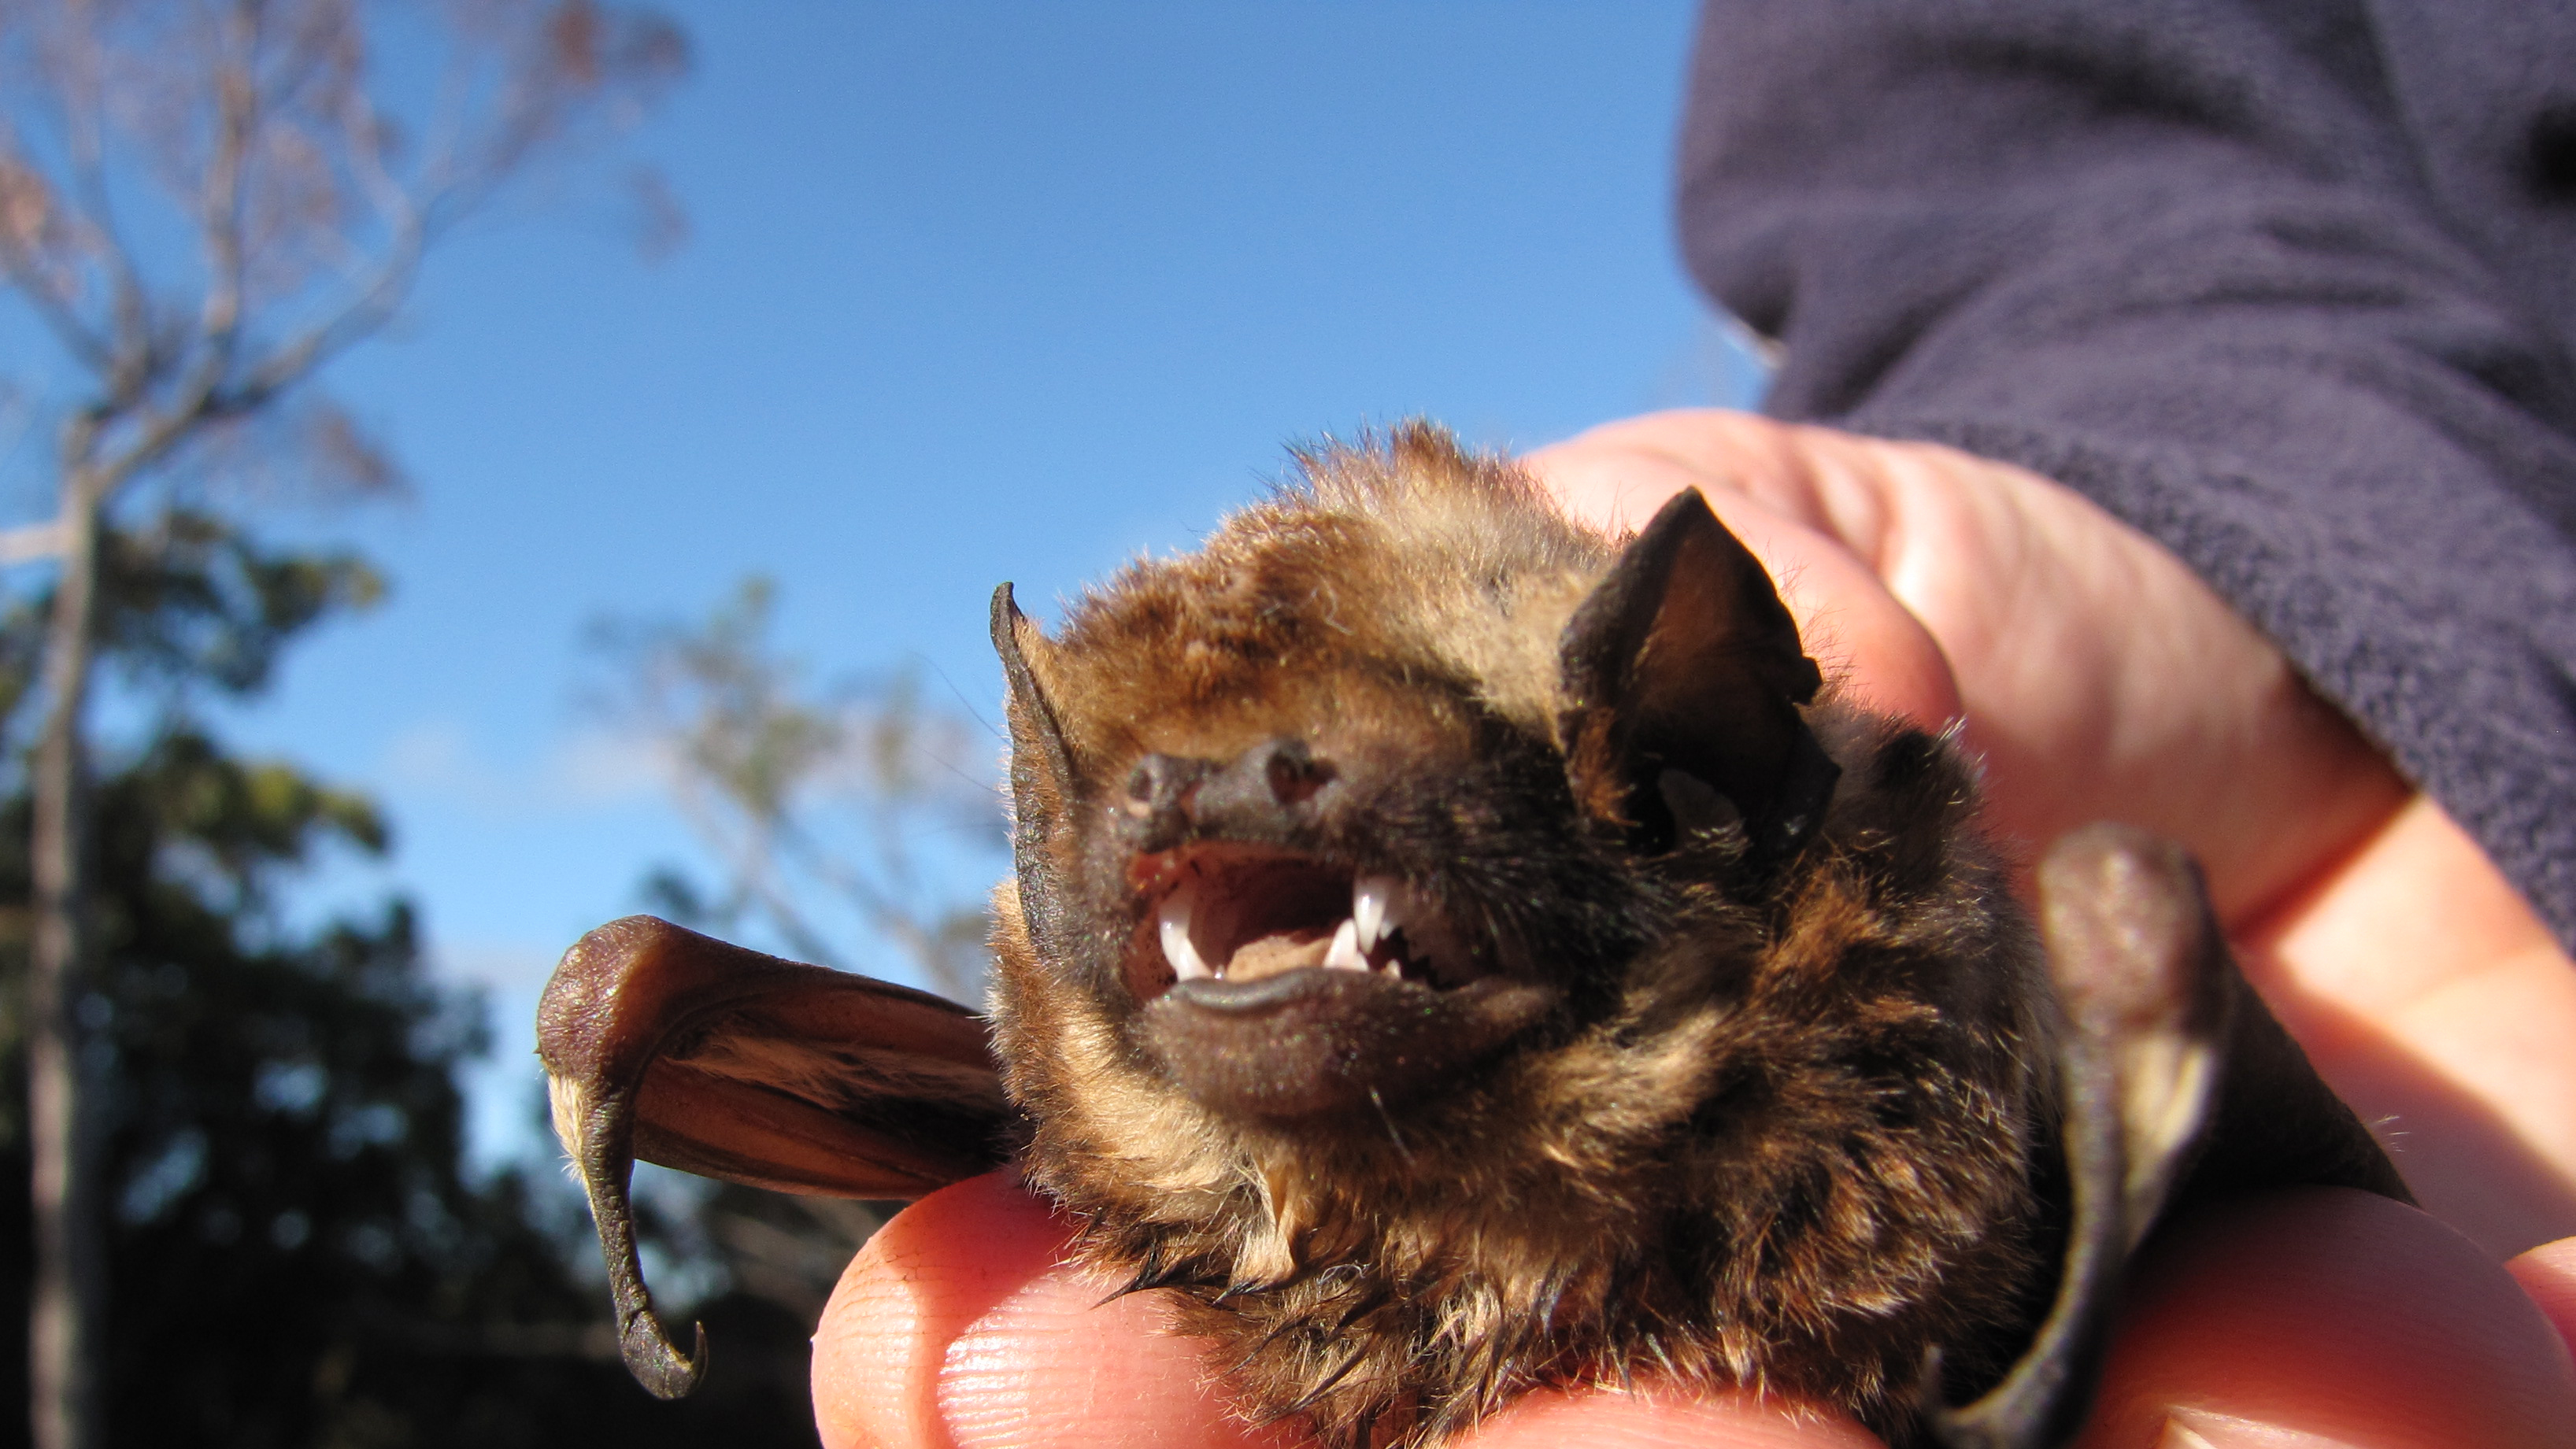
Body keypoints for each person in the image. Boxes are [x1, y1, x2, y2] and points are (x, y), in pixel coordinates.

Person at [811, 3, 2576, 1443]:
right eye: (1130, 807)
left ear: (1682, 764)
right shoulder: (1098, 1076)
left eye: (1315, 775)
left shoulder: (1885, 994)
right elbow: (2096, 143)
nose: (1191, 807)